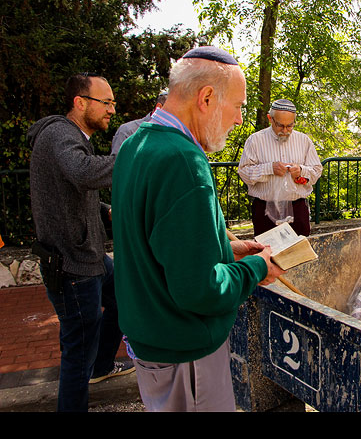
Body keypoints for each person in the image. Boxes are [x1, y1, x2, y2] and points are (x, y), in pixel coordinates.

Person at [111, 46, 285, 412]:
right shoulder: (183, 161)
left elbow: (157, 240)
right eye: (237, 106)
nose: (239, 119)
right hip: (184, 351)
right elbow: (201, 290)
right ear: (206, 98)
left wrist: (226, 249)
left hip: (153, 339)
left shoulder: (135, 145)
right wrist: (257, 267)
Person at [27, 72, 134, 412]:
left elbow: (70, 192)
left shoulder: (72, 135)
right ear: (80, 102)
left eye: (113, 103)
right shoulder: (60, 134)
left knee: (123, 299)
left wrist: (105, 212)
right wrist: (137, 158)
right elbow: (84, 172)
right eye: (107, 103)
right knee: (77, 355)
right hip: (73, 267)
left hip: (91, 258)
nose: (112, 111)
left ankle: (102, 367)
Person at [238, 99, 323, 237]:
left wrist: (301, 170)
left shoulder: (304, 141)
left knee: (300, 255)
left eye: (290, 126)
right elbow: (244, 173)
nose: (285, 131)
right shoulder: (255, 140)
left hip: (297, 209)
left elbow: (316, 171)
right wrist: (269, 168)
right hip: (265, 210)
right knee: (267, 256)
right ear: (270, 119)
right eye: (280, 125)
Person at [110, 90, 168, 155]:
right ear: (159, 107)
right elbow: (117, 162)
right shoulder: (128, 131)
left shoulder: (173, 136)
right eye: (174, 113)